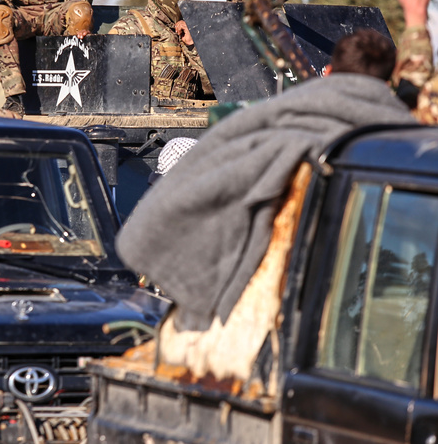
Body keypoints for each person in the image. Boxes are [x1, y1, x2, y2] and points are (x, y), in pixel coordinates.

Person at [117, 28, 415, 332]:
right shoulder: (416, 149)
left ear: (327, 72)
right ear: (389, 82)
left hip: (261, 323)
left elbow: (142, 236)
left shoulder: (263, 128)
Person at [108, 0, 214, 101]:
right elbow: (111, 83)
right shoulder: (131, 27)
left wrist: (191, 46)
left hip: (190, 117)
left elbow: (214, 88)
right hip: (149, 118)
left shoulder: (195, 30)